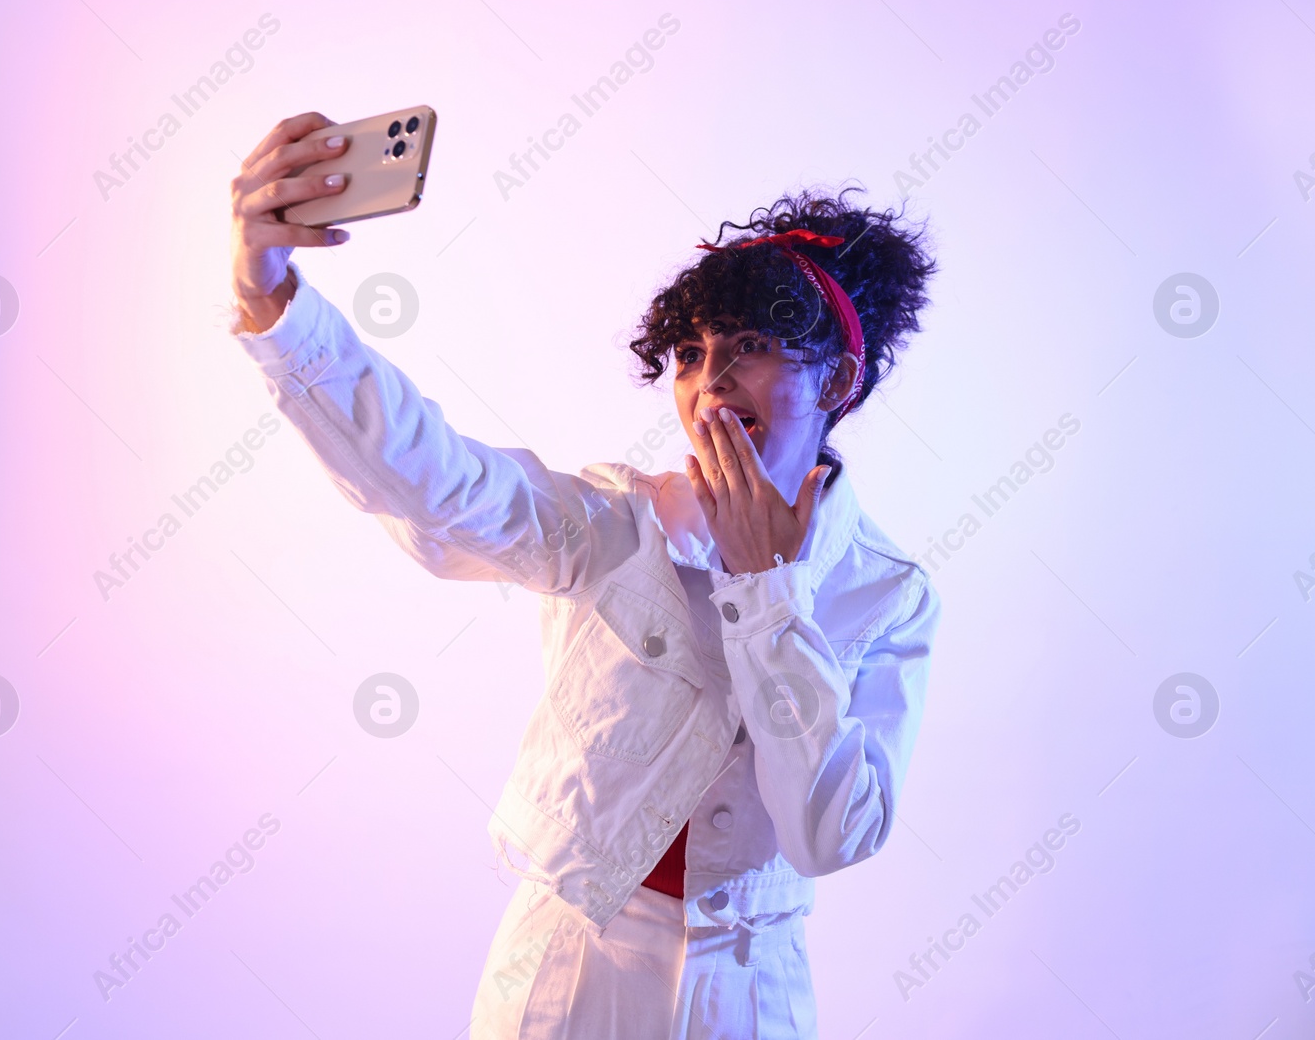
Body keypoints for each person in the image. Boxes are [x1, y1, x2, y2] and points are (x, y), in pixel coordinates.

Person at [229, 112, 942, 1039]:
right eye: (690, 352)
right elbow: (437, 481)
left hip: (749, 992)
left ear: (840, 378)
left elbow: (830, 834)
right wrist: (272, 299)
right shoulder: (613, 521)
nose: (710, 384)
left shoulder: (887, 595)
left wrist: (769, 593)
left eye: (752, 346)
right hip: (567, 976)